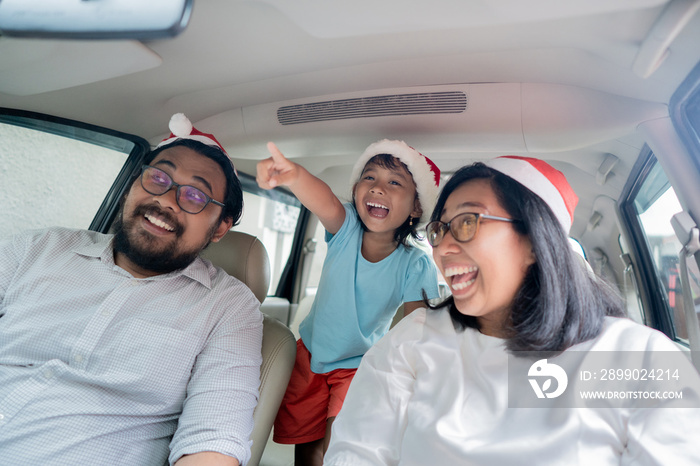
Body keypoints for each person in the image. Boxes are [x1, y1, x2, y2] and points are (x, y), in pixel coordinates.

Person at [324, 156, 700, 465]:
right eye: (440, 229)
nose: (444, 246)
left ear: (536, 241)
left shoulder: (636, 356)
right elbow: (358, 450)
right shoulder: (414, 338)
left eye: (469, 221)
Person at [0, 113, 263, 466]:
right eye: (158, 177)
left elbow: (212, 439)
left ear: (219, 229)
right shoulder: (39, 247)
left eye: (196, 195)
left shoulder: (227, 307)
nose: (167, 200)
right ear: (131, 186)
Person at [256, 139, 442, 465]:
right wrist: (295, 175)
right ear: (356, 190)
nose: (378, 188)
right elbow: (324, 200)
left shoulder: (416, 265)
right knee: (307, 450)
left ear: (415, 207)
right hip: (309, 357)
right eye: (369, 178)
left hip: (358, 367)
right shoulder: (346, 231)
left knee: (338, 448)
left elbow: (418, 328)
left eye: (394, 182)